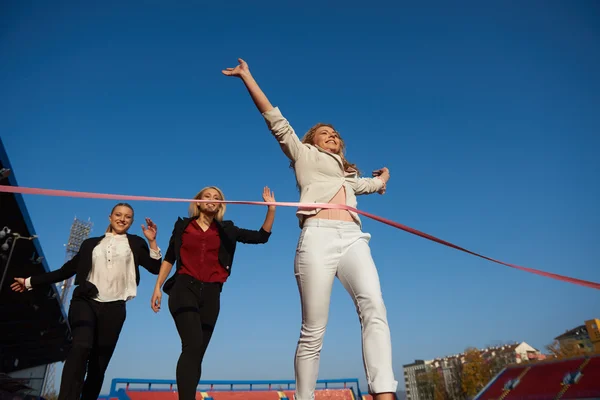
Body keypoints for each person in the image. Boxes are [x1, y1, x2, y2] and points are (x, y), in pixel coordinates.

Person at [223, 59, 397, 400]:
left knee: (375, 307)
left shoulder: (347, 177)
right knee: (313, 330)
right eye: (324, 133)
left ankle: (384, 393)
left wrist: (383, 179)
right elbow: (275, 120)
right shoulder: (303, 155)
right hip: (316, 239)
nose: (331, 136)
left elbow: (371, 184)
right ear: (312, 140)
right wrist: (247, 77)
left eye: (335, 135)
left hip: (353, 241)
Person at [11, 203, 162, 400]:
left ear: (132, 222)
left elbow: (154, 267)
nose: (122, 219)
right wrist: (30, 281)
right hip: (86, 301)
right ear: (110, 217)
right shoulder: (91, 244)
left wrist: (152, 242)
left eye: (127, 216)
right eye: (118, 214)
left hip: (115, 307)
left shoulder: (135, 243)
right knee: (81, 347)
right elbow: (66, 271)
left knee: (99, 364)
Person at [150, 186, 276, 400]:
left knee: (197, 353)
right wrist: (157, 287)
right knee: (192, 345)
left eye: (217, 198)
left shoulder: (227, 229)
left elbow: (261, 237)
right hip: (184, 288)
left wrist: (271, 209)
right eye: (207, 196)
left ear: (221, 205)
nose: (211, 199)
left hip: (211, 293)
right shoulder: (183, 226)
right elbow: (170, 257)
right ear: (198, 202)